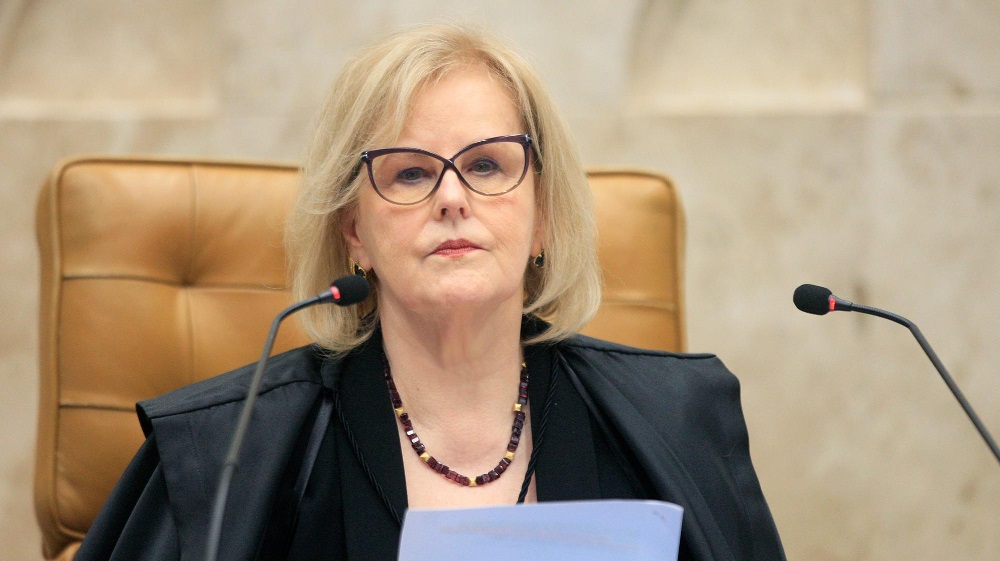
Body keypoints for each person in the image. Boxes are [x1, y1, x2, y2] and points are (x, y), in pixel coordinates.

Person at [76, 24, 785, 561]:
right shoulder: (225, 453)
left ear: (542, 217)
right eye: (410, 172)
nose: (452, 197)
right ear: (354, 231)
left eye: (487, 164)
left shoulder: (680, 420)